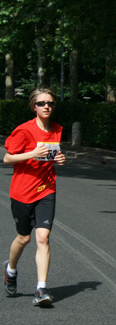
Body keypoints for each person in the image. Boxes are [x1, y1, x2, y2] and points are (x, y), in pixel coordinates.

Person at [2, 87, 66, 306]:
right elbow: (8, 158)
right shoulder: (24, 131)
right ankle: (10, 270)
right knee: (24, 238)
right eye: (41, 103)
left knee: (43, 238)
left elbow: (51, 154)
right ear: (33, 107)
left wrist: (59, 159)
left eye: (50, 103)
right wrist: (32, 154)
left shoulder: (57, 129)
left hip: (46, 189)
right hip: (22, 191)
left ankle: (41, 290)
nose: (46, 106)